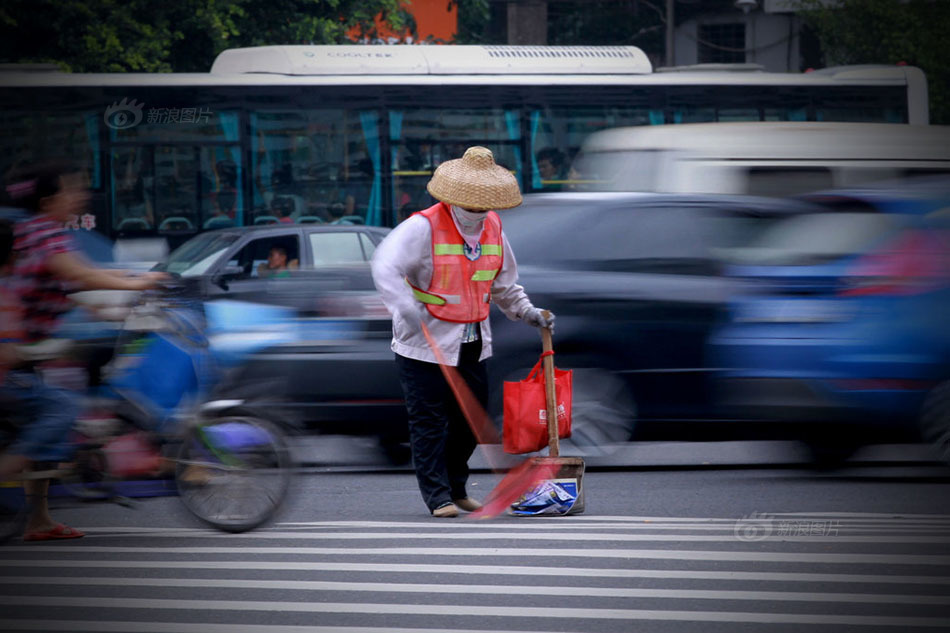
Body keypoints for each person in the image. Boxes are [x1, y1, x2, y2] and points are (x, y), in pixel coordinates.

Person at [371, 146, 555, 518]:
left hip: (472, 342)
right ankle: (437, 496)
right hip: (423, 344)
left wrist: (527, 312)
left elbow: (503, 284)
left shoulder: (493, 229)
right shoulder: (422, 227)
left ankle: (457, 488)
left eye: (484, 206)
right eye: (471, 206)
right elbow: (384, 265)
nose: (478, 212)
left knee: (469, 424)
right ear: (454, 198)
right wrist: (404, 308)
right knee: (428, 423)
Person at [0, 161, 164, 541]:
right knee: (62, 408)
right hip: (13, 355)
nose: (80, 196)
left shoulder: (35, 232)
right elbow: (82, 275)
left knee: (50, 411)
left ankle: (39, 519)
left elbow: (69, 281)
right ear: (46, 201)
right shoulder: (45, 235)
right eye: (71, 190)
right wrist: (144, 282)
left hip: (25, 349)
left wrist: (108, 305)